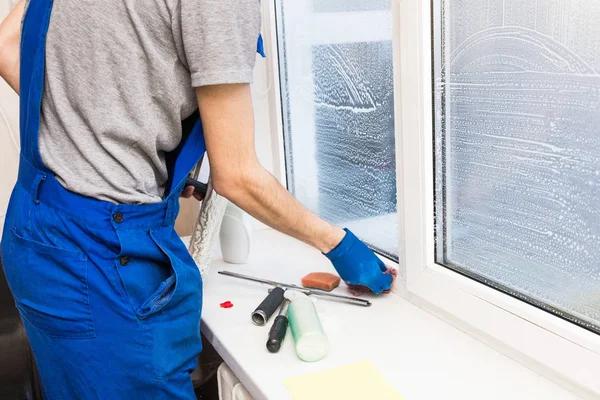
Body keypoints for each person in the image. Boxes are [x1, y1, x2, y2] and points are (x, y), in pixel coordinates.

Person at [0, 1, 393, 398]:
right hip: (99, 257)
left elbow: (6, 45)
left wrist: (104, 143)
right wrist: (339, 245)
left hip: (35, 232)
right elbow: (237, 177)